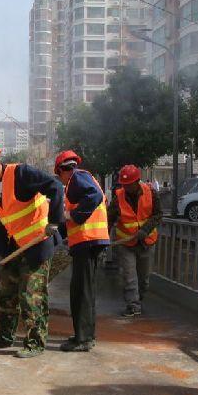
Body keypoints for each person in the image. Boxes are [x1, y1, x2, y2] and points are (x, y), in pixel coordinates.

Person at [0, 140, 64, 358]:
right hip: (15, 249)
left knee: (31, 296)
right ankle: (4, 337)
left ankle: (35, 343)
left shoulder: (21, 173)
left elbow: (56, 187)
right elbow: (1, 225)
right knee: (7, 294)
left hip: (38, 244)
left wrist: (55, 221)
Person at [53, 150, 109, 353]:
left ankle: (83, 339)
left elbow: (93, 196)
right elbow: (64, 223)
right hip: (88, 242)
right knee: (85, 291)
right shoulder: (79, 180)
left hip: (87, 241)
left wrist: (75, 215)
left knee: (81, 292)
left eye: (59, 175)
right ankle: (86, 335)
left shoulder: (78, 177)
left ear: (62, 170)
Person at [108, 164, 162, 317]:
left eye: (128, 184)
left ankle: (139, 299)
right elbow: (109, 219)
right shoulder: (118, 198)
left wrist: (145, 230)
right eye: (123, 185)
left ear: (136, 182)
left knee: (144, 279)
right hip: (126, 243)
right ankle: (133, 305)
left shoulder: (151, 193)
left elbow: (158, 215)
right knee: (129, 276)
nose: (125, 187)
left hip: (147, 241)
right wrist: (103, 238)